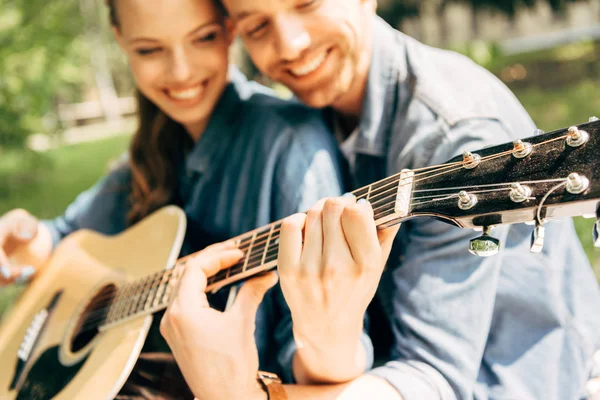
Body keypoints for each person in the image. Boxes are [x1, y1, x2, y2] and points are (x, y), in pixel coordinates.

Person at [163, 0, 600, 399]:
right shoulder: (316, 107)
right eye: (258, 27)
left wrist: (238, 394)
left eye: (307, 4)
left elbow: (434, 380)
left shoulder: (454, 135)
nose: (290, 45)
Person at [0, 0, 365, 398]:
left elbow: (326, 370)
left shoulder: (291, 146)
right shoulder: (154, 144)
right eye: (149, 49)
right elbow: (71, 237)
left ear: (230, 31)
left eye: (202, 38)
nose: (181, 72)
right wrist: (31, 242)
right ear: (120, 41)